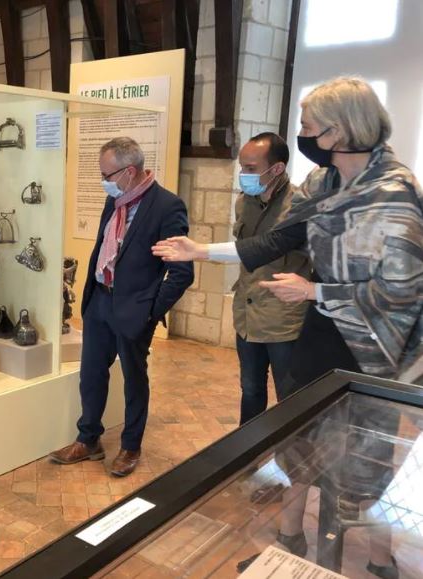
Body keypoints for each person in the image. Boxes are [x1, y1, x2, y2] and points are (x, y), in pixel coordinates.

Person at [153, 77, 422, 578]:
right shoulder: (323, 186)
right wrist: (200, 251)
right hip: (319, 337)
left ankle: (378, 561)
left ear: (339, 132)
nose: (301, 135)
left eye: (308, 127)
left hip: (371, 348)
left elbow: (402, 290)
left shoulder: (394, 192)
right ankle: (291, 542)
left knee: (359, 461)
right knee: (303, 443)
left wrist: (314, 291)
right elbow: (273, 241)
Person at [50, 137, 194, 477]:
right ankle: (88, 439)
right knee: (91, 374)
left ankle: (131, 446)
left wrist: (150, 311)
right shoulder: (115, 199)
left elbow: (181, 272)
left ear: (129, 172)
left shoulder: (167, 206)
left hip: (134, 309)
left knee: (134, 378)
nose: (103, 181)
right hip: (100, 299)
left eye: (107, 174)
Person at [233, 133, 310, 425]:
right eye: (242, 167)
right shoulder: (244, 202)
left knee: (289, 395)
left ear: (276, 168)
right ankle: (246, 453)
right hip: (247, 316)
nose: (244, 175)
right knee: (250, 389)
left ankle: (291, 458)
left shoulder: (300, 205)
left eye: (251, 168)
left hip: (283, 320)